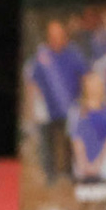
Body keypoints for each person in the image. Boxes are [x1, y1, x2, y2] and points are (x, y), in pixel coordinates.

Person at [26, 19, 88, 184]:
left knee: (71, 142)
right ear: (48, 37)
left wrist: (83, 100)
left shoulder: (74, 53)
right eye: (52, 36)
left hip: (71, 106)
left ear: (64, 36)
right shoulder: (41, 55)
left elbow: (84, 76)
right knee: (48, 143)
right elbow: (32, 81)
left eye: (59, 35)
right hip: (48, 108)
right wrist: (35, 106)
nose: (56, 39)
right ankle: (50, 175)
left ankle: (70, 173)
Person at [71, 71, 106, 182]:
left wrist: (98, 164)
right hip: (82, 161)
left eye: (97, 85)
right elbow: (76, 139)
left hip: (104, 161)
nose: (94, 88)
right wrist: (84, 164)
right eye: (90, 85)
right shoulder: (76, 110)